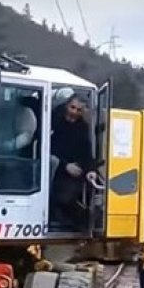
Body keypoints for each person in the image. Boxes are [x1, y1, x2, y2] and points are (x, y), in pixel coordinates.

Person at [49, 91, 96, 229]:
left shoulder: (82, 127)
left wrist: (91, 170)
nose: (74, 112)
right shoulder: (53, 119)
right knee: (60, 194)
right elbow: (46, 147)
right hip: (53, 164)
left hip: (73, 168)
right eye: (72, 107)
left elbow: (86, 151)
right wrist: (65, 165)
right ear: (67, 105)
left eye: (79, 110)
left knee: (78, 191)